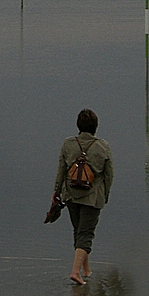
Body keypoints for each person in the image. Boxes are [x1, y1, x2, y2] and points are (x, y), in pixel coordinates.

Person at [52, 108, 113, 285]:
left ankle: (86, 269)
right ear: (96, 126)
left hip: (71, 195)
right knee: (86, 235)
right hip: (92, 198)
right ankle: (75, 272)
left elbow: (61, 171)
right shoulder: (103, 147)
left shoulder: (68, 144)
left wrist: (56, 193)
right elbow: (109, 176)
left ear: (78, 125)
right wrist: (105, 196)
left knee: (78, 231)